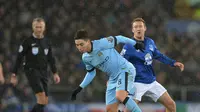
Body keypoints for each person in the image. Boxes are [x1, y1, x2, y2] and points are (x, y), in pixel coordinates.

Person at [120, 18, 184, 112]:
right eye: (136, 27)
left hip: (151, 82)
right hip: (136, 83)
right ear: (133, 30)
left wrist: (173, 62)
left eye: (140, 26)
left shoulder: (150, 42)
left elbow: (158, 55)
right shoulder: (128, 46)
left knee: (171, 105)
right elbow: (120, 63)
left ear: (145, 28)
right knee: (129, 110)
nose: (138, 29)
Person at [71, 29, 143, 112]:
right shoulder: (85, 58)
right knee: (110, 110)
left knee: (120, 95)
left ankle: (132, 93)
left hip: (125, 69)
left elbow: (119, 38)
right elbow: (91, 73)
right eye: (77, 45)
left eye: (81, 44)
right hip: (113, 78)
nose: (79, 47)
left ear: (88, 41)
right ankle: (131, 93)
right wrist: (80, 88)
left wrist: (135, 44)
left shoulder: (102, 43)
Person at [10, 17, 60, 112]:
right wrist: (14, 74)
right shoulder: (27, 42)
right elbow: (19, 58)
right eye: (36, 27)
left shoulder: (47, 42)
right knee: (41, 97)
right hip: (31, 71)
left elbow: (51, 58)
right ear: (33, 27)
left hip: (44, 72)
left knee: (44, 101)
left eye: (40, 27)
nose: (38, 29)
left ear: (44, 28)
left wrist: (55, 73)